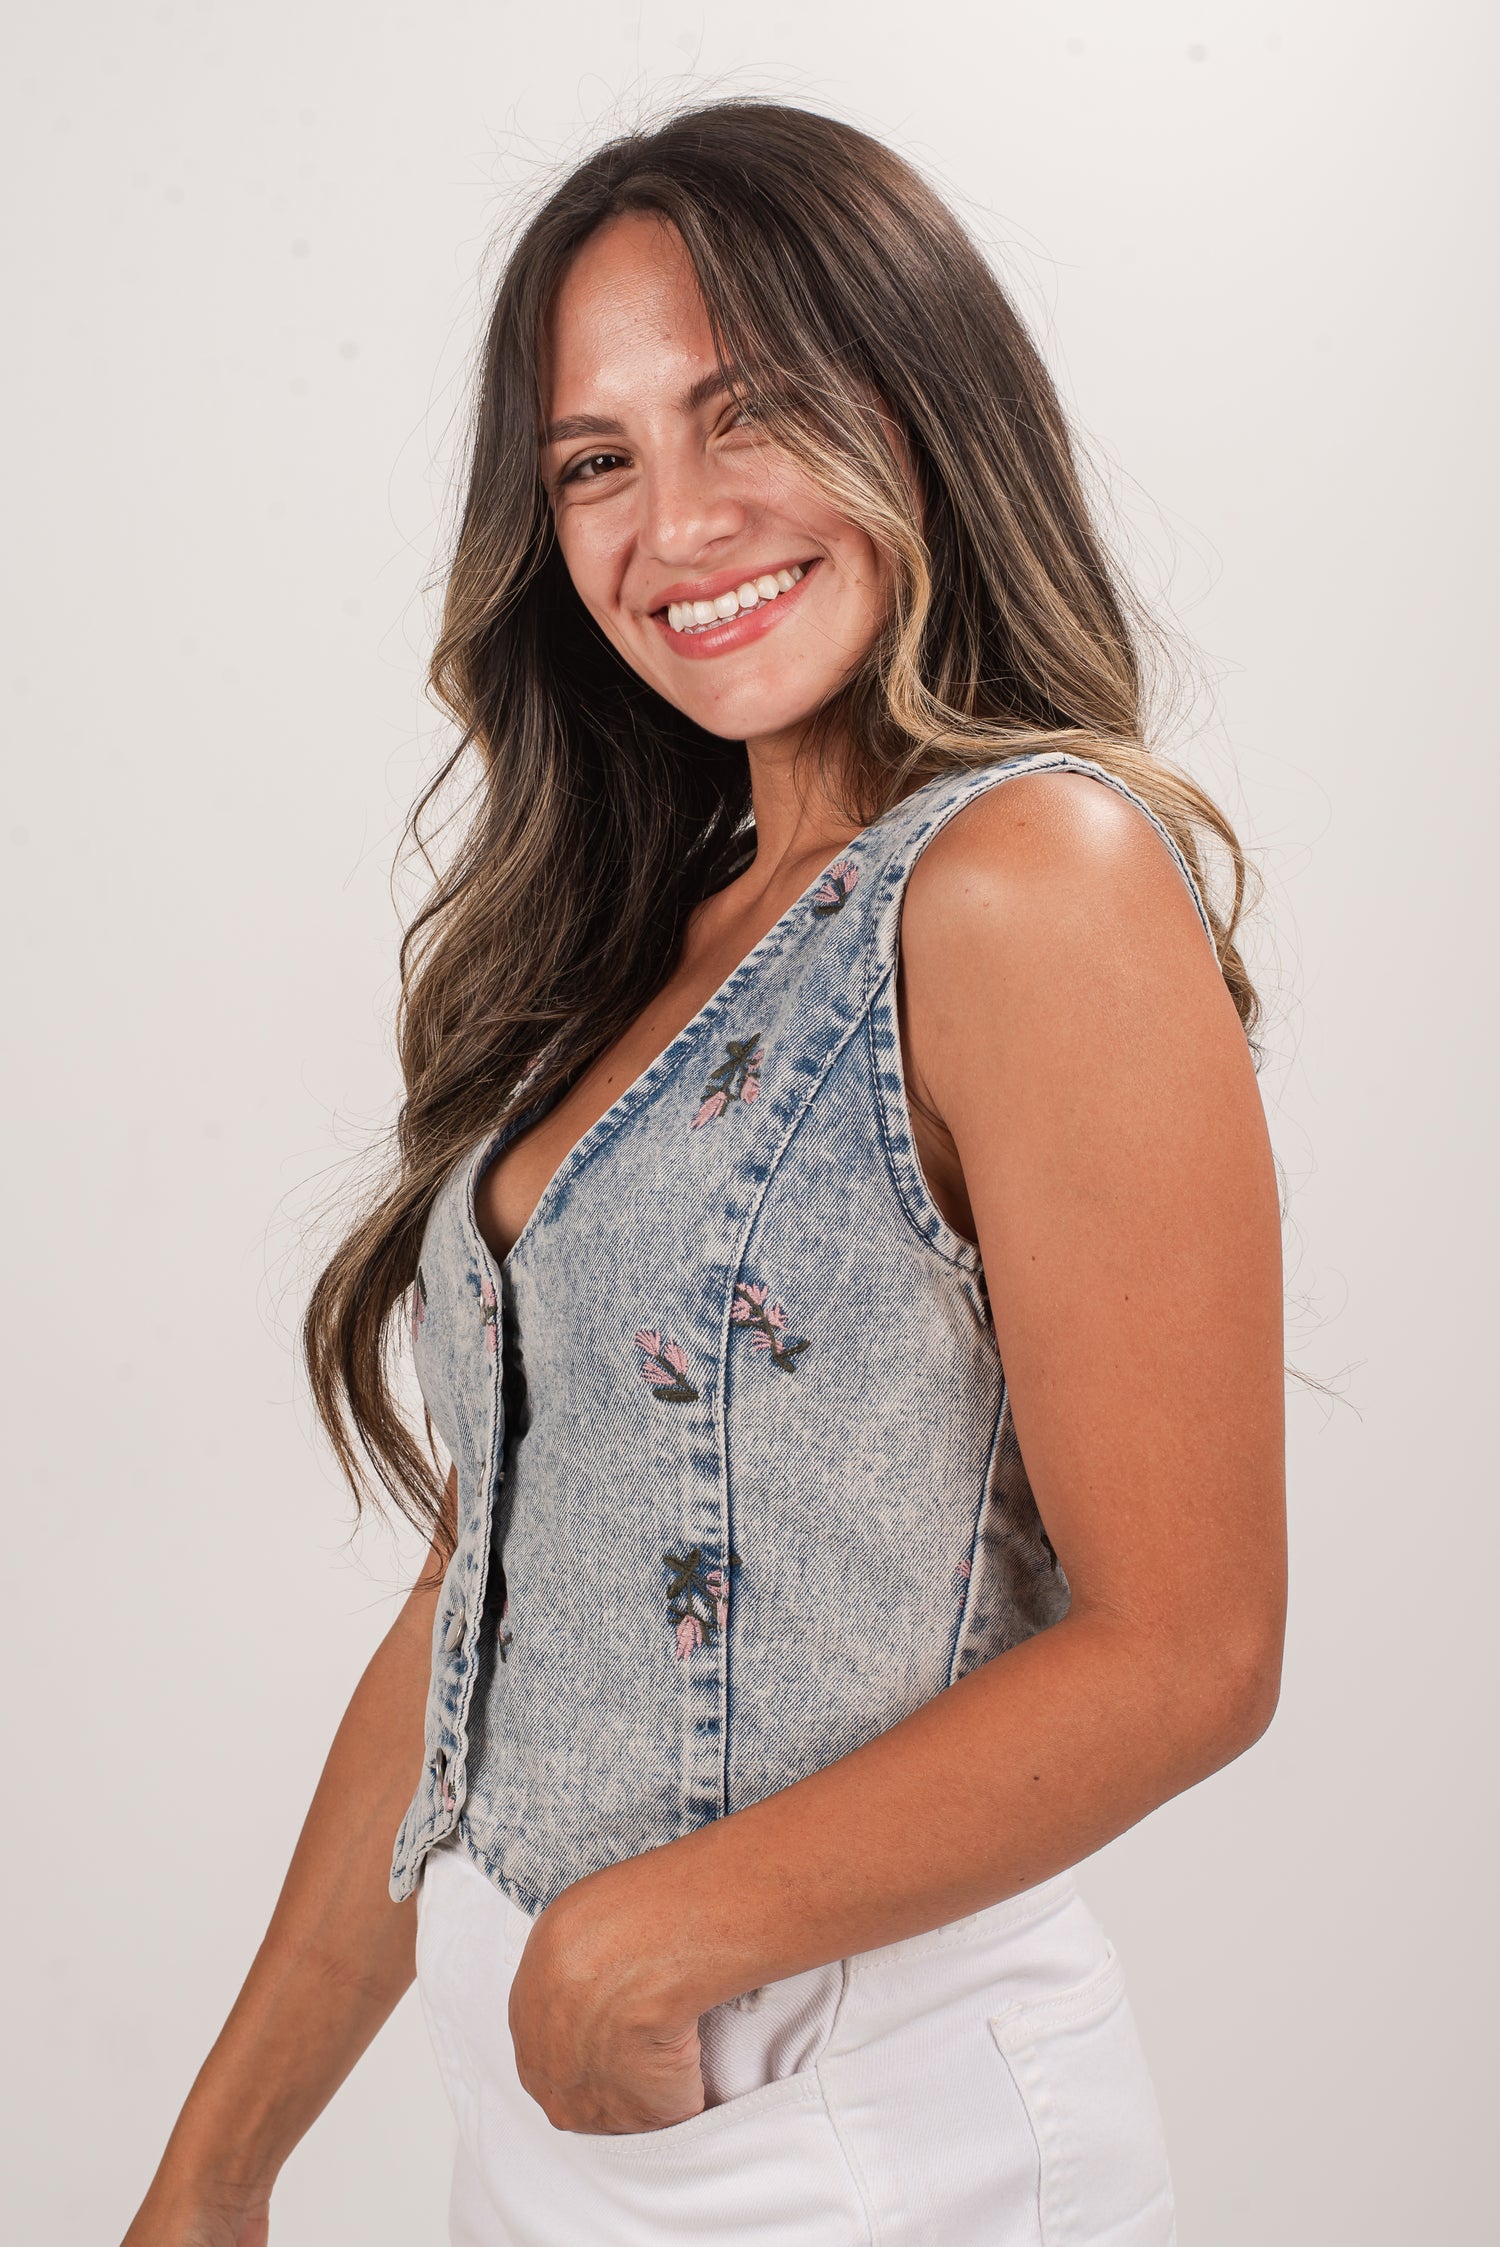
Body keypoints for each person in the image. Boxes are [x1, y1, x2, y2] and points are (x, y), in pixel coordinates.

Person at [122, 96, 1286, 2247]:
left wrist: (641, 1942)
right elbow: (485, 1598)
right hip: (559, 2124)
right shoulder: (652, 940)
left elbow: (1191, 1643)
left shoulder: (1032, 876)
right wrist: (221, 2160)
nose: (675, 521)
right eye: (595, 461)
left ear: (918, 403)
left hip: (847, 2136)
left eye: (747, 410)